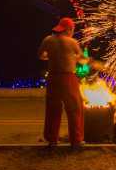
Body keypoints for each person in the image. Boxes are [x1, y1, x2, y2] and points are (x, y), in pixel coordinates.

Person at [37, 17, 87, 149]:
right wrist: (74, 58)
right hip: (68, 78)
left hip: (53, 78)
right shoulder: (72, 42)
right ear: (69, 29)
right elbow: (82, 59)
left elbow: (40, 55)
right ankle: (76, 141)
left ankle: (52, 140)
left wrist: (50, 56)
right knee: (75, 109)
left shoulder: (48, 40)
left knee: (53, 109)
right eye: (72, 30)